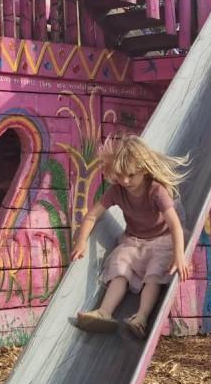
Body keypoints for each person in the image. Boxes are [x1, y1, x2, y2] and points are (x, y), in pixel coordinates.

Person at [71, 134, 189, 338]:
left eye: (131, 175)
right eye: (119, 175)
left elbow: (175, 225)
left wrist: (179, 256)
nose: (125, 181)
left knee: (153, 274)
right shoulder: (117, 191)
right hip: (133, 241)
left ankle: (141, 318)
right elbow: (92, 215)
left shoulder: (156, 191)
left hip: (162, 241)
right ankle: (104, 312)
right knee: (119, 266)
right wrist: (80, 243)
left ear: (143, 170)